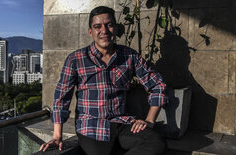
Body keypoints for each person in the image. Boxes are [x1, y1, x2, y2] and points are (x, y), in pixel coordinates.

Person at [40, 6, 167, 155]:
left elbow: (158, 85)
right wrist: (57, 136)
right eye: (97, 26)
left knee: (155, 143)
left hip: (122, 122)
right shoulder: (76, 59)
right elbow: (61, 98)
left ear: (116, 28)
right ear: (90, 32)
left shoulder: (129, 56)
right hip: (92, 127)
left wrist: (150, 120)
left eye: (109, 25)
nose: (104, 31)